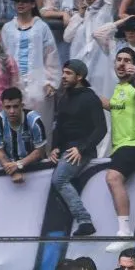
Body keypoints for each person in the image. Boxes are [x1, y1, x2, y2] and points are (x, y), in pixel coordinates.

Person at [104, 48, 135, 251]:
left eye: (127, 60)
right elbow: (114, 106)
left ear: (134, 65)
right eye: (119, 60)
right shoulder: (118, 88)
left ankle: (125, 233)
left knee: (113, 178)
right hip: (120, 146)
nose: (122, 63)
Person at [48, 59, 106, 236]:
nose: (63, 77)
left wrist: (81, 148)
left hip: (81, 151)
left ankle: (85, 221)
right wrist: (55, 147)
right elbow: (60, 126)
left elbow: (101, 129)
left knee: (59, 179)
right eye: (63, 72)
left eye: (68, 73)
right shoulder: (64, 97)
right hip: (66, 149)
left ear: (79, 77)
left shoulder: (90, 98)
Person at [1, 0, 61, 124]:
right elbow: (3, 55)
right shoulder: (7, 28)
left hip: (38, 82)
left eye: (25, 1)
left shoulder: (41, 27)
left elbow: (51, 54)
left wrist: (51, 81)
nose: (20, 4)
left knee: (39, 121)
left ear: (33, 4)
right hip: (13, 81)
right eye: (17, 1)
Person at [0, 87, 47, 181]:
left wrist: (18, 165)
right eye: (8, 107)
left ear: (22, 105)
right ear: (2, 107)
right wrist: (11, 169)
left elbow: (40, 151)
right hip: (10, 166)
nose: (12, 111)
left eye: (15, 106)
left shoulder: (34, 121)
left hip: (35, 168)